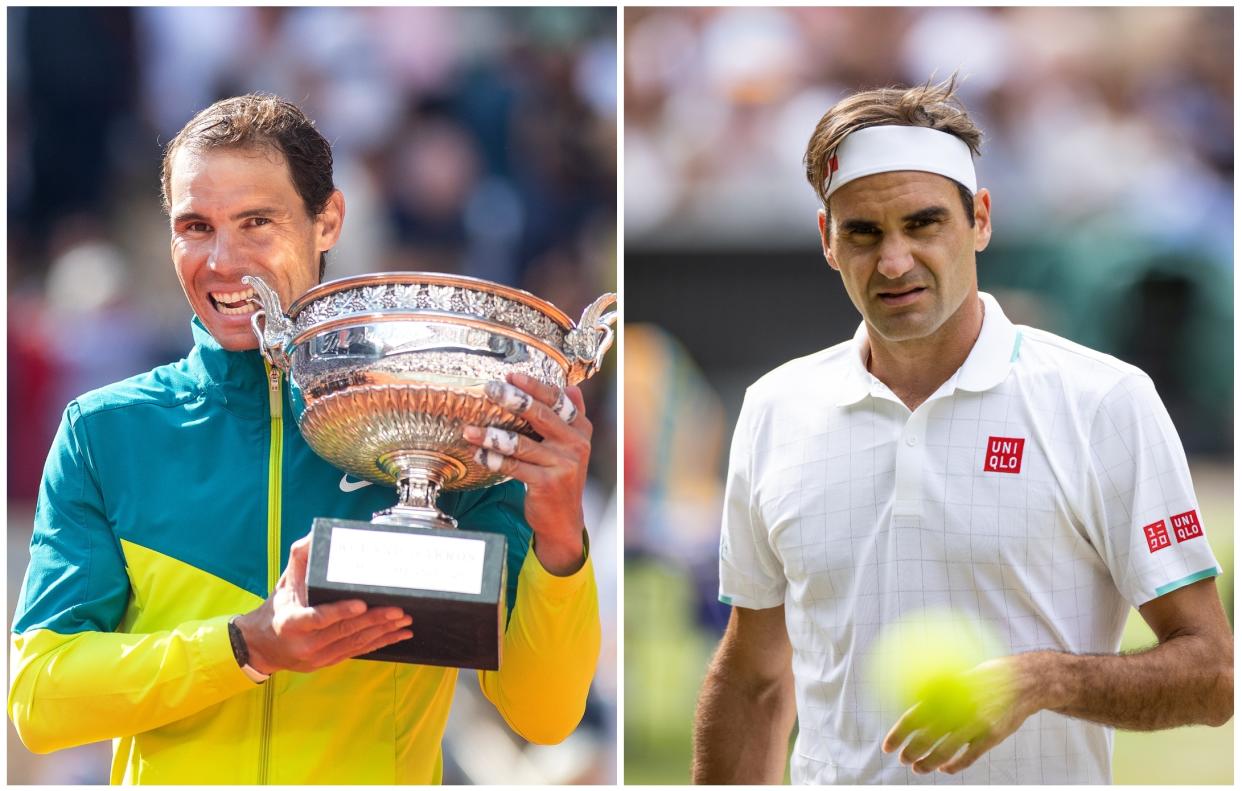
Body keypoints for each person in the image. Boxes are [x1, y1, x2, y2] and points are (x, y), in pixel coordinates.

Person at [9, 94, 602, 784]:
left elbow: (545, 714)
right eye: (195, 227)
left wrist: (561, 540)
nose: (223, 260)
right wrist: (245, 645)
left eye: (256, 222)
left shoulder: (446, 430)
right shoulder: (106, 431)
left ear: (328, 221)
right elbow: (41, 696)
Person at [692, 78, 1232, 784]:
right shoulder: (775, 407)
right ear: (827, 239)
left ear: (979, 219)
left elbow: (1213, 672)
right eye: (863, 232)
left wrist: (1046, 680)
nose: (894, 261)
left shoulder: (1105, 401)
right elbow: (756, 680)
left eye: (922, 224)